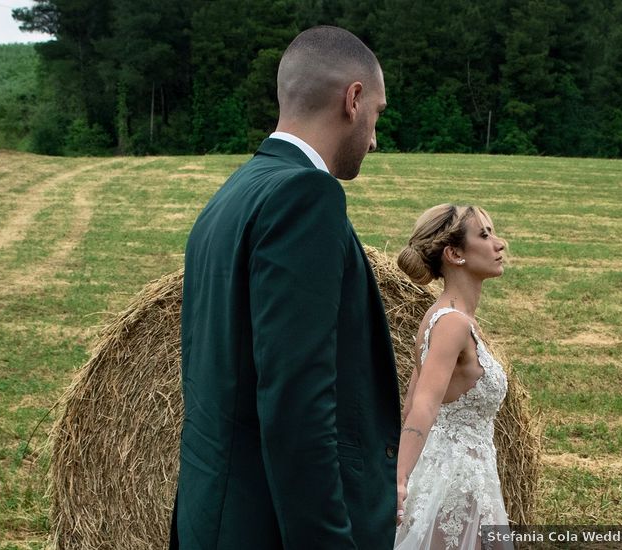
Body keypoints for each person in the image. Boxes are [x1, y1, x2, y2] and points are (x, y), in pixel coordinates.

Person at [169, 26, 400, 549]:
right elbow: (297, 403)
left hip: (213, 518)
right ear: (354, 98)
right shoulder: (306, 195)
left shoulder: (233, 193)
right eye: (377, 115)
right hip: (269, 530)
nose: (374, 137)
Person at [393, 204, 512, 550]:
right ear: (455, 254)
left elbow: (412, 403)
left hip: (462, 476)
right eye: (485, 235)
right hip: (455, 482)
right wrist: (400, 479)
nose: (499, 243)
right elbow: (423, 406)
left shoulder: (442, 316)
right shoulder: (452, 323)